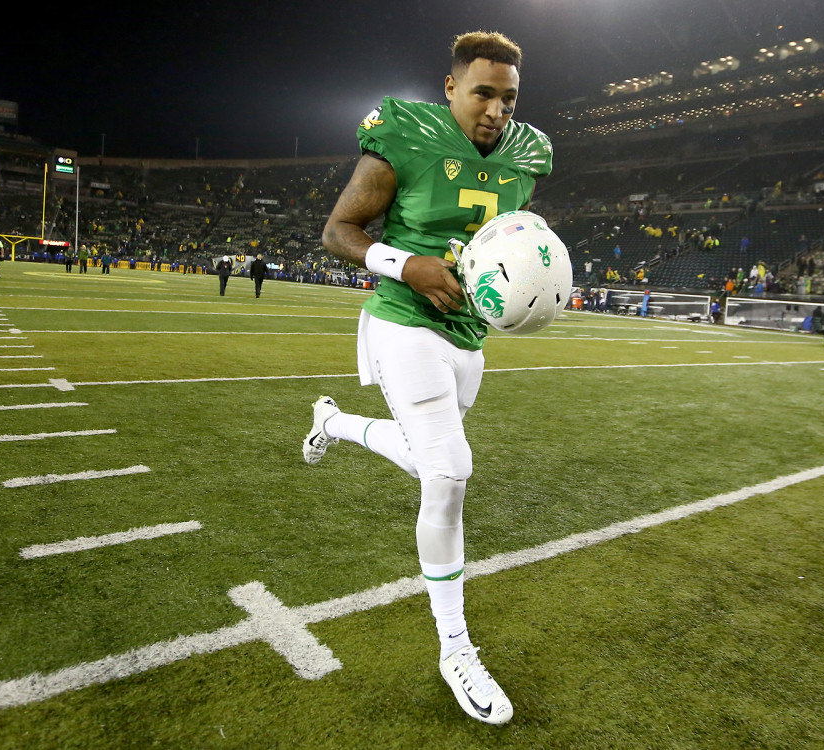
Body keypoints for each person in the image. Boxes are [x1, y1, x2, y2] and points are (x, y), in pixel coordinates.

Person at [307, 31, 550, 726]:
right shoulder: (407, 132)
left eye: (508, 97)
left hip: (467, 337)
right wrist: (404, 264)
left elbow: (509, 235)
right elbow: (338, 230)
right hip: (401, 319)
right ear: (451, 89)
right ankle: (456, 649)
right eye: (483, 93)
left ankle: (334, 422)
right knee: (447, 472)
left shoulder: (530, 153)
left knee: (428, 459)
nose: (497, 109)